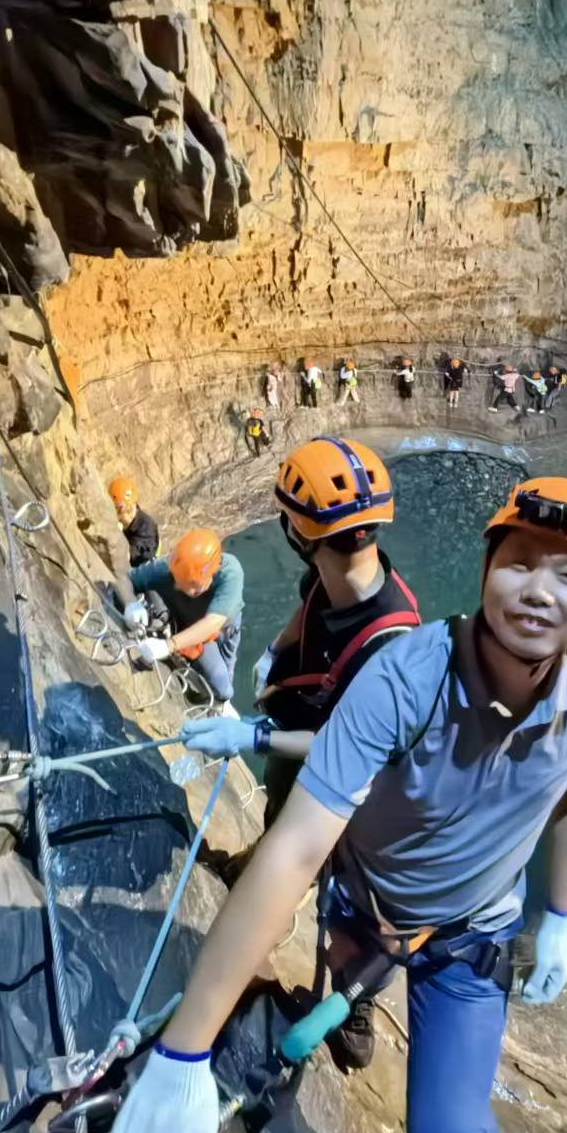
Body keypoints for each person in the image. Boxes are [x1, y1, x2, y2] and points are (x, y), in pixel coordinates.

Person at [115, 477, 567, 1133]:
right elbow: (296, 847)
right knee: (351, 988)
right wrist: (182, 1051)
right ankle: (353, 1009)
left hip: (473, 938)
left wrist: (560, 914)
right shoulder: (408, 677)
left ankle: (354, 1011)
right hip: (368, 909)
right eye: (519, 563)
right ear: (487, 569)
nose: (538, 590)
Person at [183, 437, 423, 1066]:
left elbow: (353, 749)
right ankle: (250, 868)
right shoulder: (339, 575)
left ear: (303, 532)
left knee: (342, 887)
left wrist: (253, 736)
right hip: (298, 741)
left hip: (348, 781)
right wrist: (276, 661)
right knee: (278, 825)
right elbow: (310, 610)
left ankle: (352, 1006)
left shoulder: (394, 647)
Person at [115, 528, 245, 709]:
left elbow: (213, 622)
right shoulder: (166, 569)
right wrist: (131, 604)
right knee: (220, 686)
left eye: (195, 586)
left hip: (219, 631)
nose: (190, 591)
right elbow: (124, 580)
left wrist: (169, 645)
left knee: (224, 690)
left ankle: (217, 704)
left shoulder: (230, 573)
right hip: (184, 620)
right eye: (183, 584)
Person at [109, 475, 160, 569]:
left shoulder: (146, 527)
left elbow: (133, 556)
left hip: (142, 573)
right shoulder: (126, 524)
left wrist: (117, 535)